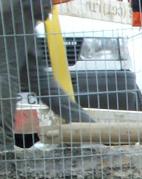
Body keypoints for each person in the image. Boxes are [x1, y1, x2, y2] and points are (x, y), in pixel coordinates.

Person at [0, 0, 93, 153]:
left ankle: (4, 143)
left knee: (22, 74)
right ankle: (90, 129)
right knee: (33, 77)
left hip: (17, 8)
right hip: (20, 8)